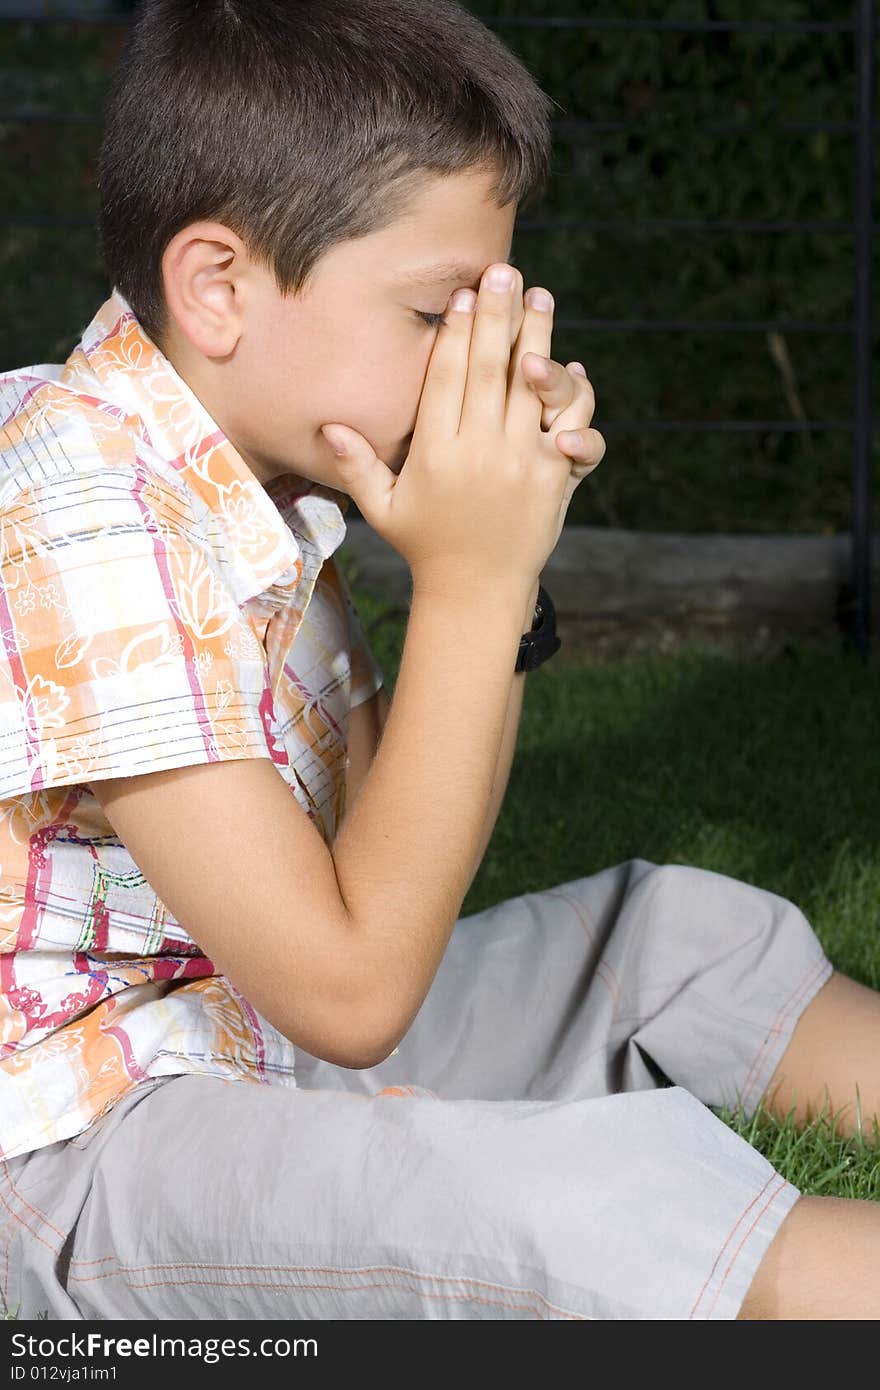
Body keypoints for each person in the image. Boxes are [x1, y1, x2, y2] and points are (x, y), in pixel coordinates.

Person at [0, 0, 878, 1324]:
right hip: (69, 1159)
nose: (487, 352)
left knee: (666, 937)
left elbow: (378, 854)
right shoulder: (73, 503)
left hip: (238, 1039)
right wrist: (472, 581)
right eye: (439, 311)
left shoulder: (251, 470)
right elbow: (352, 988)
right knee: (535, 1198)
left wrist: (500, 579)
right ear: (218, 286)